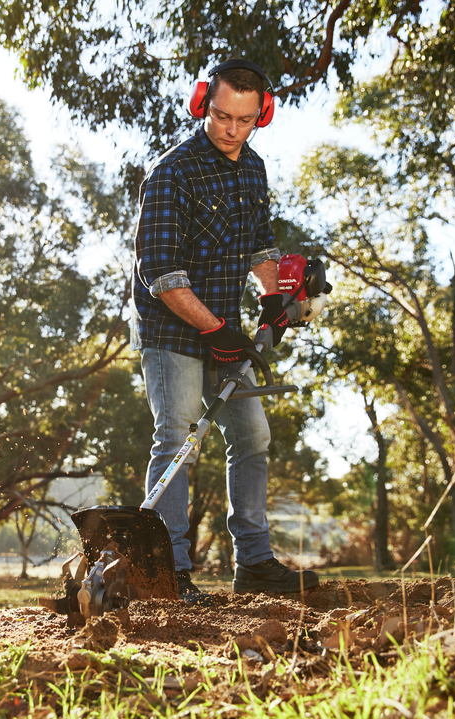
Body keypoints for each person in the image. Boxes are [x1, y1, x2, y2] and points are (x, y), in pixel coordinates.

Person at [131, 58, 320, 602]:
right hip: (171, 332)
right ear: (202, 105)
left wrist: (276, 298)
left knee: (253, 436)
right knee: (177, 438)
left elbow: (261, 248)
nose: (230, 129)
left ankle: (254, 563)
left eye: (243, 119)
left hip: (224, 330)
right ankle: (168, 571)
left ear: (262, 115)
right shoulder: (171, 172)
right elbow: (160, 274)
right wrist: (215, 330)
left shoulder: (253, 168)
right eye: (220, 115)